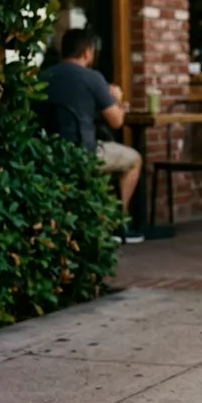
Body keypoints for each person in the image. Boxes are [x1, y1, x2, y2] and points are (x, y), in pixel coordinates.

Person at [44, 28, 144, 244]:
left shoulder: (45, 75)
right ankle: (118, 224)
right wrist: (117, 100)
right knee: (134, 159)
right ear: (88, 52)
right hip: (83, 153)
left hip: (48, 152)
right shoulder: (92, 78)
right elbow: (116, 121)